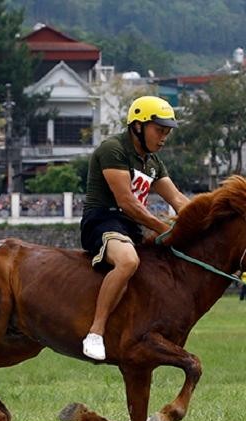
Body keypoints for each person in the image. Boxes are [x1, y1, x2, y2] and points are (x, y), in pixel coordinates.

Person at [79, 96, 189, 360]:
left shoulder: (152, 162)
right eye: (160, 130)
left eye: (167, 133)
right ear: (138, 126)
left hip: (131, 228)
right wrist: (165, 228)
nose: (164, 138)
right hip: (103, 221)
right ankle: (95, 332)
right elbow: (126, 202)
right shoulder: (113, 149)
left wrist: (202, 222)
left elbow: (178, 200)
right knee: (128, 261)